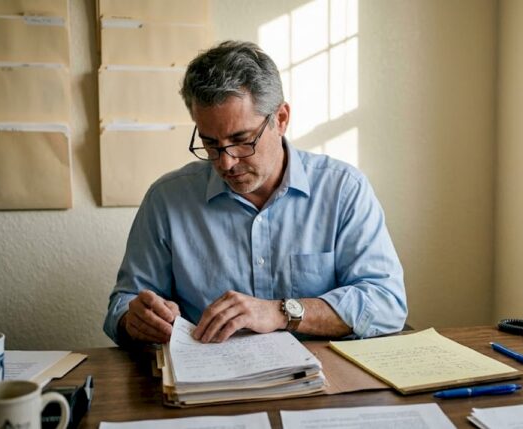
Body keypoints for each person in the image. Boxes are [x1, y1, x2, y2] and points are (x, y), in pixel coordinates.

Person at [103, 41, 407, 346]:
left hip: (325, 382)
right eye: (210, 143)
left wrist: (281, 312)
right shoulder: (167, 200)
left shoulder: (343, 190)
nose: (226, 161)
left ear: (282, 119)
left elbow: (387, 304)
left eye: (242, 139)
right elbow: (122, 306)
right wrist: (136, 320)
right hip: (208, 384)